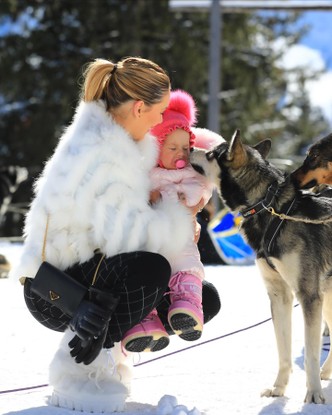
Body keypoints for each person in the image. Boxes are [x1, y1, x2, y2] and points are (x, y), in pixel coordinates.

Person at [9, 57, 220, 413]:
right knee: (151, 270)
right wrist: (183, 216)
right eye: (160, 111)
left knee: (201, 299)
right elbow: (133, 240)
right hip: (58, 294)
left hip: (77, 282)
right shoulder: (108, 154)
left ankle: (108, 347)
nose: (161, 120)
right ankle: (81, 370)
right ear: (139, 107)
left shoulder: (112, 138)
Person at [121, 90, 222, 352]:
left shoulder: (192, 175)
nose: (181, 154)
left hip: (182, 241)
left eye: (186, 148)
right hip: (151, 242)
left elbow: (199, 193)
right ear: (156, 147)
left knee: (187, 267)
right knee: (148, 278)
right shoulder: (147, 174)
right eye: (173, 147)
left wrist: (188, 203)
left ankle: (187, 308)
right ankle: (145, 320)